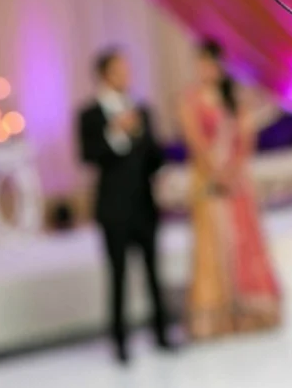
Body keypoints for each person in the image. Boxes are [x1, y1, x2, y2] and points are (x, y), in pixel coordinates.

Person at [179, 39, 281, 339]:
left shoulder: (235, 100)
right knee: (213, 247)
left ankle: (251, 311)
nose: (207, 69)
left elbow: (246, 141)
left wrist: (232, 171)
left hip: (237, 183)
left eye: (211, 63)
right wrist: (216, 173)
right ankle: (218, 316)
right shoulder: (190, 101)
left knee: (244, 242)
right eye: (202, 63)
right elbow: (195, 142)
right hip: (208, 183)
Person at [78, 48, 172, 364]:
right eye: (119, 69)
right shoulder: (90, 115)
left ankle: (161, 333)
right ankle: (120, 341)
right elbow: (88, 155)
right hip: (113, 209)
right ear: (105, 75)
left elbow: (154, 156)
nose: (126, 75)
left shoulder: (141, 110)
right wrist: (115, 132)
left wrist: (155, 154)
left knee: (153, 273)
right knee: (117, 275)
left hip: (144, 204)